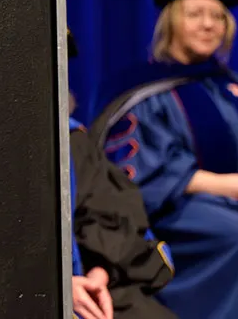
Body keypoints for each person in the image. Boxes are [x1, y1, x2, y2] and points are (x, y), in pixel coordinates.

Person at [92, 0, 238, 319]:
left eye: (217, 16)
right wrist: (224, 185)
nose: (208, 23)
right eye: (195, 14)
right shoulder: (142, 91)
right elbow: (137, 171)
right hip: (178, 206)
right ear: (171, 22)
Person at [66, 30, 176, 319]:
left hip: (92, 282)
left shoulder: (72, 138)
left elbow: (105, 208)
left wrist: (99, 274)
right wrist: (59, 282)